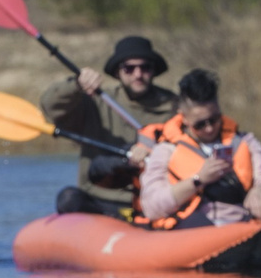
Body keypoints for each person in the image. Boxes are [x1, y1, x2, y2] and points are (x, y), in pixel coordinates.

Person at [44, 35, 181, 217]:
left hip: (152, 199)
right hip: (100, 199)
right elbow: (51, 107)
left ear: (154, 70)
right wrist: (76, 85)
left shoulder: (174, 107)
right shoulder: (97, 101)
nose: (138, 74)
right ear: (118, 72)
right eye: (129, 69)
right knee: (68, 198)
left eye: (145, 67)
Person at [132, 68, 261, 229]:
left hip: (243, 223)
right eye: (200, 124)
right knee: (197, 223)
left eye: (214, 119)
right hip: (195, 226)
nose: (209, 129)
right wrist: (198, 180)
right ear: (184, 118)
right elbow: (152, 207)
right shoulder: (165, 150)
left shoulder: (246, 141)